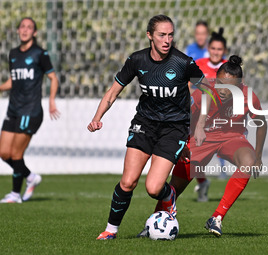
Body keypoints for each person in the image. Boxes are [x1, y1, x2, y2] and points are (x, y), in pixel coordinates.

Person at [87, 14, 207, 240]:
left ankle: (168, 195)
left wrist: (199, 126)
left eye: (171, 35)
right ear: (149, 36)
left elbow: (205, 91)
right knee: (128, 181)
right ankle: (110, 231)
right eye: (162, 35)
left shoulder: (183, 62)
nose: (167, 40)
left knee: (153, 188)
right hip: (144, 124)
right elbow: (113, 92)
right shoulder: (137, 60)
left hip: (174, 128)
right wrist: (97, 117)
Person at [138, 55, 267, 238]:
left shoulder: (248, 96)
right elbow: (184, 119)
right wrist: (182, 143)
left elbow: (261, 123)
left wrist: (259, 157)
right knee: (176, 186)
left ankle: (216, 217)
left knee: (248, 160)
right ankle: (153, 223)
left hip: (232, 138)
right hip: (201, 139)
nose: (222, 89)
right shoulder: (203, 93)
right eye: (220, 83)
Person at [0, 17, 60, 203]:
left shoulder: (40, 54)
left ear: (34, 32)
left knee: (16, 155)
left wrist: (51, 101)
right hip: (13, 109)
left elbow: (53, 78)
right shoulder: (13, 54)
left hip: (31, 111)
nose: (25, 30)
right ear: (18, 30)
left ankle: (16, 194)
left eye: (29, 27)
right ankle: (31, 177)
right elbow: (13, 80)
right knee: (3, 153)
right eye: (22, 27)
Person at [193, 27, 229, 201]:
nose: (215, 52)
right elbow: (188, 86)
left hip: (218, 118)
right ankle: (203, 181)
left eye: (219, 49)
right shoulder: (198, 64)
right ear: (208, 48)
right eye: (213, 48)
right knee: (192, 155)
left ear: (225, 51)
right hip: (198, 116)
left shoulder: (229, 69)